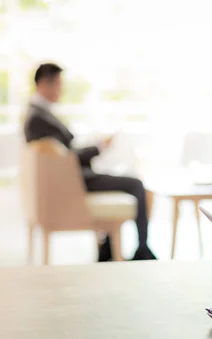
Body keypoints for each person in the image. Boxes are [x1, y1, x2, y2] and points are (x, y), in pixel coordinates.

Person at [22, 63, 156, 262]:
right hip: (75, 180)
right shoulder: (38, 118)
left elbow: (63, 152)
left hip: (72, 176)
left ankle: (109, 251)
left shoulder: (37, 114)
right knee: (136, 184)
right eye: (59, 84)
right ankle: (142, 250)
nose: (62, 90)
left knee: (127, 181)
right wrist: (99, 147)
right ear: (44, 84)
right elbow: (68, 157)